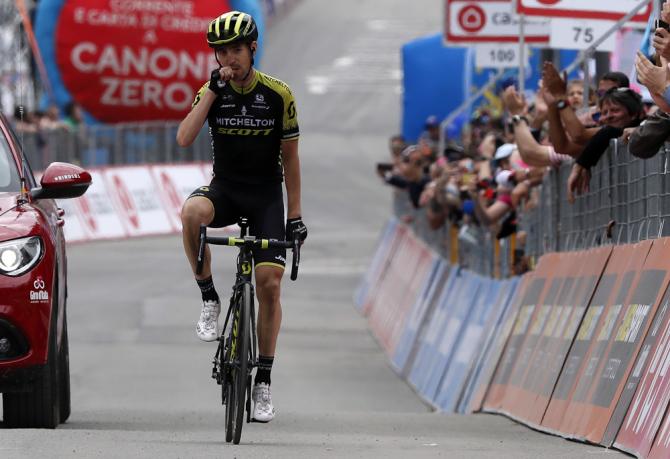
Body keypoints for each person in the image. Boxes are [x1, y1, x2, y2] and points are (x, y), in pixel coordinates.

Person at [176, 10, 307, 423]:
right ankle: (210, 298)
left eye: (236, 50)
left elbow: (291, 160)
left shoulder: (278, 94)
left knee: (269, 283)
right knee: (191, 212)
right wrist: (212, 93)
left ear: (253, 49)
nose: (229, 59)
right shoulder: (211, 89)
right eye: (221, 52)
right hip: (226, 189)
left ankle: (263, 380)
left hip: (266, 195)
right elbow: (184, 138)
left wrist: (296, 217)